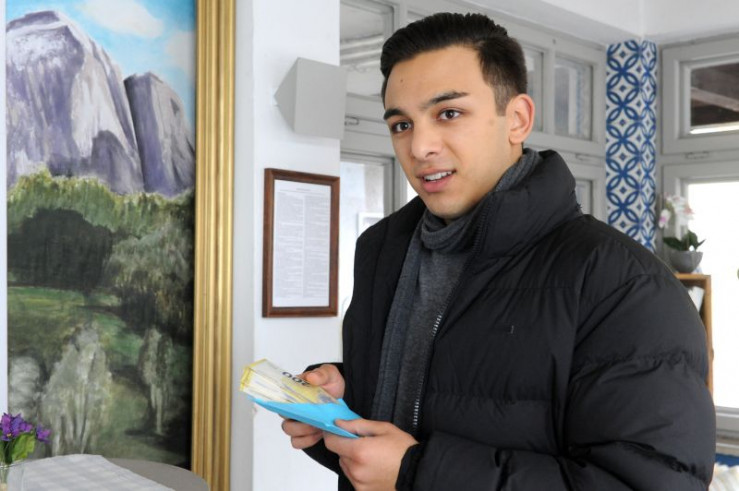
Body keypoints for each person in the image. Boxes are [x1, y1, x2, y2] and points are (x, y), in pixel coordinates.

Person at [281, 12, 715, 491]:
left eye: (449, 113)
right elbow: (425, 406)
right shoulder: (381, 251)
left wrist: (415, 472)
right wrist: (344, 403)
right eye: (401, 124)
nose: (419, 146)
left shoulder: (625, 284)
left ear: (518, 119)